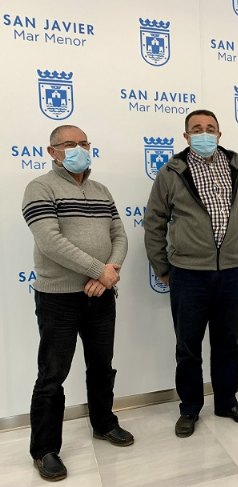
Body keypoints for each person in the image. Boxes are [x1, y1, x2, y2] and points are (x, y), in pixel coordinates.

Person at [22, 125, 133, 481]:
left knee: (102, 365)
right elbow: (50, 242)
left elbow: (119, 235)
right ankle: (45, 449)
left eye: (83, 143)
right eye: (69, 144)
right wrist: (100, 270)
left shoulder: (101, 190)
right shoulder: (40, 188)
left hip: (101, 294)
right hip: (58, 298)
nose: (78, 149)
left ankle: (104, 423)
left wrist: (108, 273)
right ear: (52, 151)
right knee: (52, 375)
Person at [144, 109, 238, 438]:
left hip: (230, 270)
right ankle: (190, 408)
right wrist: (162, 266)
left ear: (219, 134)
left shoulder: (236, 163)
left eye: (210, 128)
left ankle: (227, 402)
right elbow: (154, 221)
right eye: (196, 129)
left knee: (227, 342)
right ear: (186, 136)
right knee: (188, 347)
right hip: (189, 274)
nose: (204, 133)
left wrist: (236, 228)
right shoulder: (171, 171)